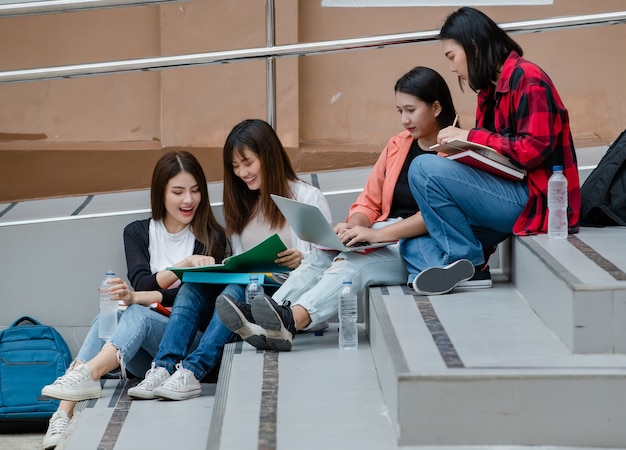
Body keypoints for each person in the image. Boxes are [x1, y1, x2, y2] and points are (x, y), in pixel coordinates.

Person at [216, 66, 466, 352]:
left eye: (410, 110)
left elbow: (438, 217)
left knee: (351, 264)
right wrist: (354, 225)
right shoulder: (398, 145)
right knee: (321, 255)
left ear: (436, 107)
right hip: (381, 235)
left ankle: (291, 320)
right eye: (399, 110)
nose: (404, 119)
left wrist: (375, 236)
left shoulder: (455, 152)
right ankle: (264, 315)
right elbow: (368, 202)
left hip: (418, 248)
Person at [125, 118, 332, 399]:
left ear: (268, 155)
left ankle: (192, 371)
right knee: (193, 286)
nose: (242, 173)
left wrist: (301, 258)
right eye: (235, 166)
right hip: (246, 291)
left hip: (282, 301)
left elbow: (327, 264)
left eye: (247, 162)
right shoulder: (244, 205)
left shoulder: (307, 198)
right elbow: (238, 260)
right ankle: (162, 367)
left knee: (237, 289)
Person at [40, 151, 229, 450]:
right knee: (106, 317)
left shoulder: (213, 238)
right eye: (178, 192)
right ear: (160, 193)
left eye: (195, 191)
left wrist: (139, 296)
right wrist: (184, 264)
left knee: (135, 313)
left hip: (188, 346)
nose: (188, 200)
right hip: (148, 358)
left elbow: (187, 297)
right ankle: (62, 413)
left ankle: (85, 374)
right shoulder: (138, 232)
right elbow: (140, 281)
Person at [402, 7, 580, 296]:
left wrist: (470, 136)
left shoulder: (529, 80)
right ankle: (473, 269)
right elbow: (490, 153)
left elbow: (532, 150)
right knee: (412, 241)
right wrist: (462, 151)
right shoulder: (489, 91)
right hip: (503, 194)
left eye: (452, 57)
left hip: (537, 202)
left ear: (472, 46)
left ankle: (464, 261)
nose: (452, 68)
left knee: (423, 167)